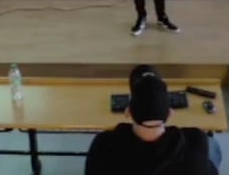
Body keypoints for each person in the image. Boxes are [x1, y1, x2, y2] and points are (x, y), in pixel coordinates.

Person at [85, 64, 221, 175]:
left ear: (128, 112)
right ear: (170, 113)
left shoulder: (103, 145)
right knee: (212, 145)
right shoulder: (195, 141)